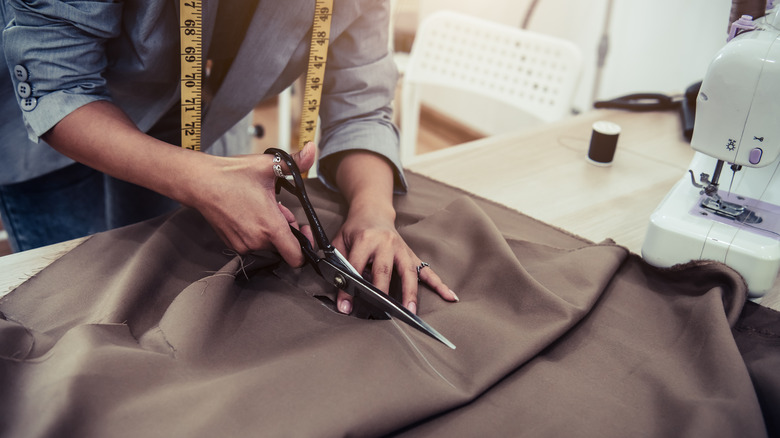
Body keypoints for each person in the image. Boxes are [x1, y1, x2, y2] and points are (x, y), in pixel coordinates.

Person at [0, 0, 458, 315]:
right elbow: (59, 83)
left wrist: (375, 212)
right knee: (79, 305)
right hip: (61, 138)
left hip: (209, 114)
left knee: (183, 292)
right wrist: (198, 179)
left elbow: (363, 105)